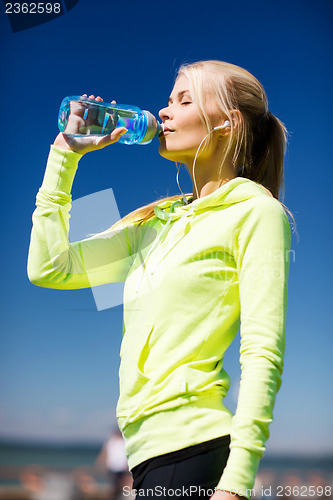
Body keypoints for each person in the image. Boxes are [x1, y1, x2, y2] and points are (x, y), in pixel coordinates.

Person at [27, 60, 292, 500]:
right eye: (167, 101)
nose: (164, 112)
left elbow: (263, 351)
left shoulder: (256, 213)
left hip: (193, 450)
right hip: (146, 458)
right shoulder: (156, 223)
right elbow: (48, 268)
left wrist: (237, 483)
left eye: (184, 100)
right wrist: (64, 156)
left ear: (228, 122)